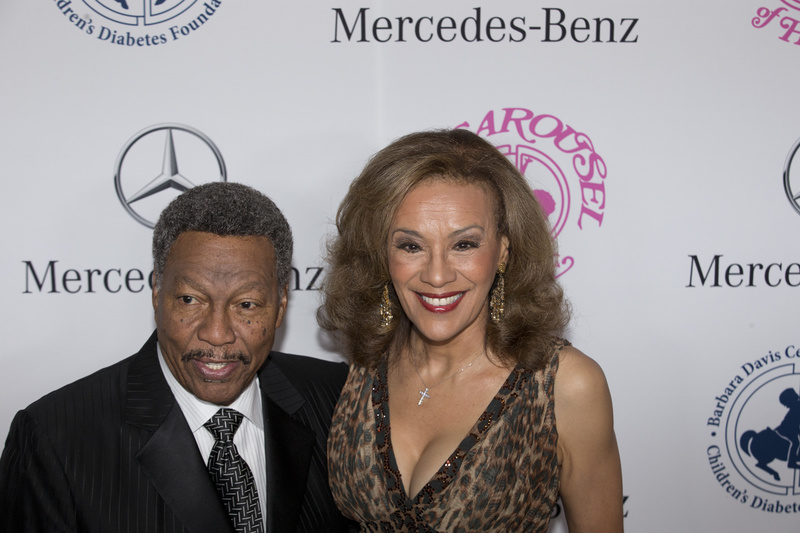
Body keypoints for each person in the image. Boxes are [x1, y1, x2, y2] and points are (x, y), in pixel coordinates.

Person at [0, 182, 353, 533]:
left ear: (280, 307)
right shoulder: (54, 439)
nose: (217, 333)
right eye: (190, 300)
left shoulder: (340, 399)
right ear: (157, 293)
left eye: (246, 305)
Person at [319, 129, 623, 532]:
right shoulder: (367, 359)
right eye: (411, 246)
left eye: (464, 244)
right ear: (381, 253)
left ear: (503, 251)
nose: (437, 274)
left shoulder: (564, 385)